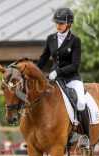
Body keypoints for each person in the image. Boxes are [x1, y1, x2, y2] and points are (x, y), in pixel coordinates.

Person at [37, 7, 90, 143]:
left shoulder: (75, 40)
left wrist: (58, 71)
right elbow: (43, 59)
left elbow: (75, 65)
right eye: (57, 23)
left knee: (81, 103)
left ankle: (84, 137)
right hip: (54, 80)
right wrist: (34, 72)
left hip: (72, 78)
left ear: (69, 24)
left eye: (61, 23)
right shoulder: (51, 39)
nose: (58, 26)